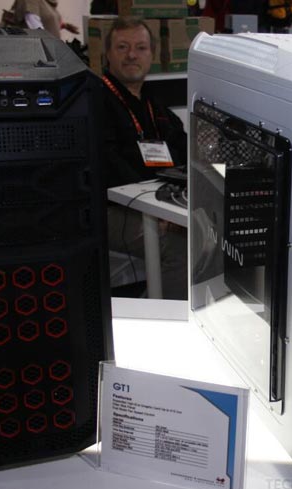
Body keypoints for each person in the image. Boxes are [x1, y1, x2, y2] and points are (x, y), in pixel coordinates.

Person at [102, 16, 187, 300]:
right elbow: (109, 165)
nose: (131, 55)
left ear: (152, 55)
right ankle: (162, 321)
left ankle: (154, 305)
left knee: (209, 232)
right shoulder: (97, 100)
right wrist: (156, 210)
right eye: (122, 47)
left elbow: (182, 146)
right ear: (107, 54)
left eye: (140, 48)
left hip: (159, 202)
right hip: (114, 210)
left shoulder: (153, 102)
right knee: (180, 246)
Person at [11, 0, 78, 39]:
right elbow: (35, 26)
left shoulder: (46, 2)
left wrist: (64, 25)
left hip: (51, 48)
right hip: (39, 51)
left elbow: (47, 19)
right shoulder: (30, 1)